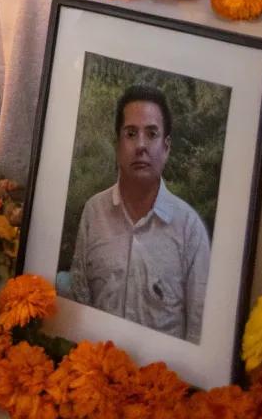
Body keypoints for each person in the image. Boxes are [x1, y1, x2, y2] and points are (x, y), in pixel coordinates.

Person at [69, 87, 210, 343]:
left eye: (152, 134)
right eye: (131, 134)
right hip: (95, 361)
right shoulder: (94, 213)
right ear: (117, 144)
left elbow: (198, 330)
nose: (141, 145)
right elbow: (80, 299)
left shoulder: (189, 228)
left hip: (163, 368)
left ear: (166, 147)